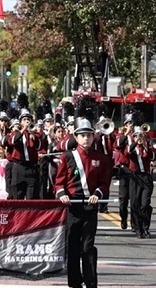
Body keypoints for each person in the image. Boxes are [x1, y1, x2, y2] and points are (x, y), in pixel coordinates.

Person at [54, 118, 111, 288]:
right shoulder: (67, 157)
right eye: (82, 135)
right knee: (73, 246)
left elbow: (104, 183)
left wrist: (97, 194)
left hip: (90, 207)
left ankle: (91, 282)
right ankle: (75, 282)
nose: (86, 139)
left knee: (87, 246)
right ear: (76, 137)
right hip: (72, 207)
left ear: (94, 137)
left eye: (88, 135)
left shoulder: (100, 158)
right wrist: (63, 195)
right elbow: (59, 183)